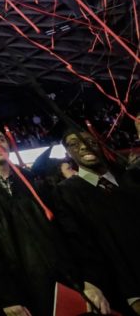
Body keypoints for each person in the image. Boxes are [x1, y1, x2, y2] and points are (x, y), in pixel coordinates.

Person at [0, 114, 109, 316]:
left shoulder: (31, 180)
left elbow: (67, 228)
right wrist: (7, 297)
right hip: (22, 295)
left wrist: (89, 277)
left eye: (0, 139)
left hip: (66, 283)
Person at [51, 119, 140, 314]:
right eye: (74, 144)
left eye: (89, 140)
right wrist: (91, 281)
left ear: (99, 142)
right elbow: (78, 242)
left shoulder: (129, 177)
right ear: (68, 152)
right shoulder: (66, 193)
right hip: (122, 288)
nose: (83, 146)